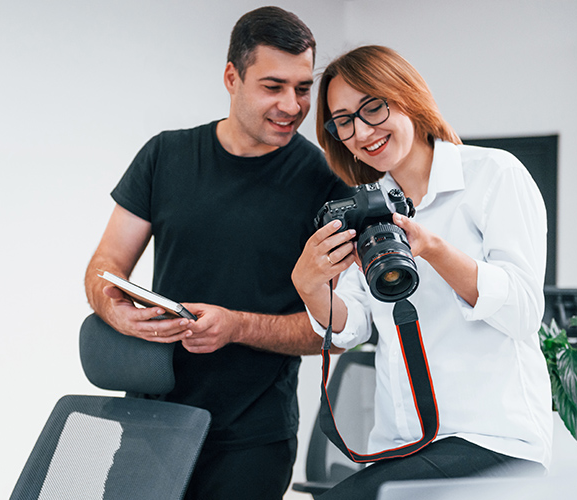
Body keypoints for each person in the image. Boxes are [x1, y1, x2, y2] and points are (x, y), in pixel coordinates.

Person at [84, 7, 349, 500]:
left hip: (253, 437)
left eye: (303, 88)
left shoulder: (325, 185)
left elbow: (334, 330)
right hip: (151, 419)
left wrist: (237, 326)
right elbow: (104, 268)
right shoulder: (164, 155)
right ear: (232, 77)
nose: (292, 105)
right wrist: (116, 311)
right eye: (273, 86)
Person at [291, 45, 553, 500]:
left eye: (373, 107)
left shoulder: (493, 175)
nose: (362, 131)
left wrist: (433, 249)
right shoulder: (367, 208)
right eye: (344, 120)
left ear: (407, 96)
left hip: (493, 440)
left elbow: (524, 312)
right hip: (401, 446)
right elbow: (348, 326)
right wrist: (309, 286)